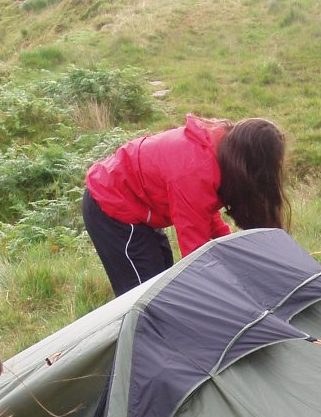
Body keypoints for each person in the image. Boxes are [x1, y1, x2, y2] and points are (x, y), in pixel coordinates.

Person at [83, 114, 290, 296]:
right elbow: (195, 257)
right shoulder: (194, 171)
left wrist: (234, 249)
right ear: (250, 165)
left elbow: (204, 212)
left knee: (163, 279)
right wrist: (234, 292)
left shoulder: (220, 149)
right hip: (111, 203)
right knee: (145, 296)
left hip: (138, 204)